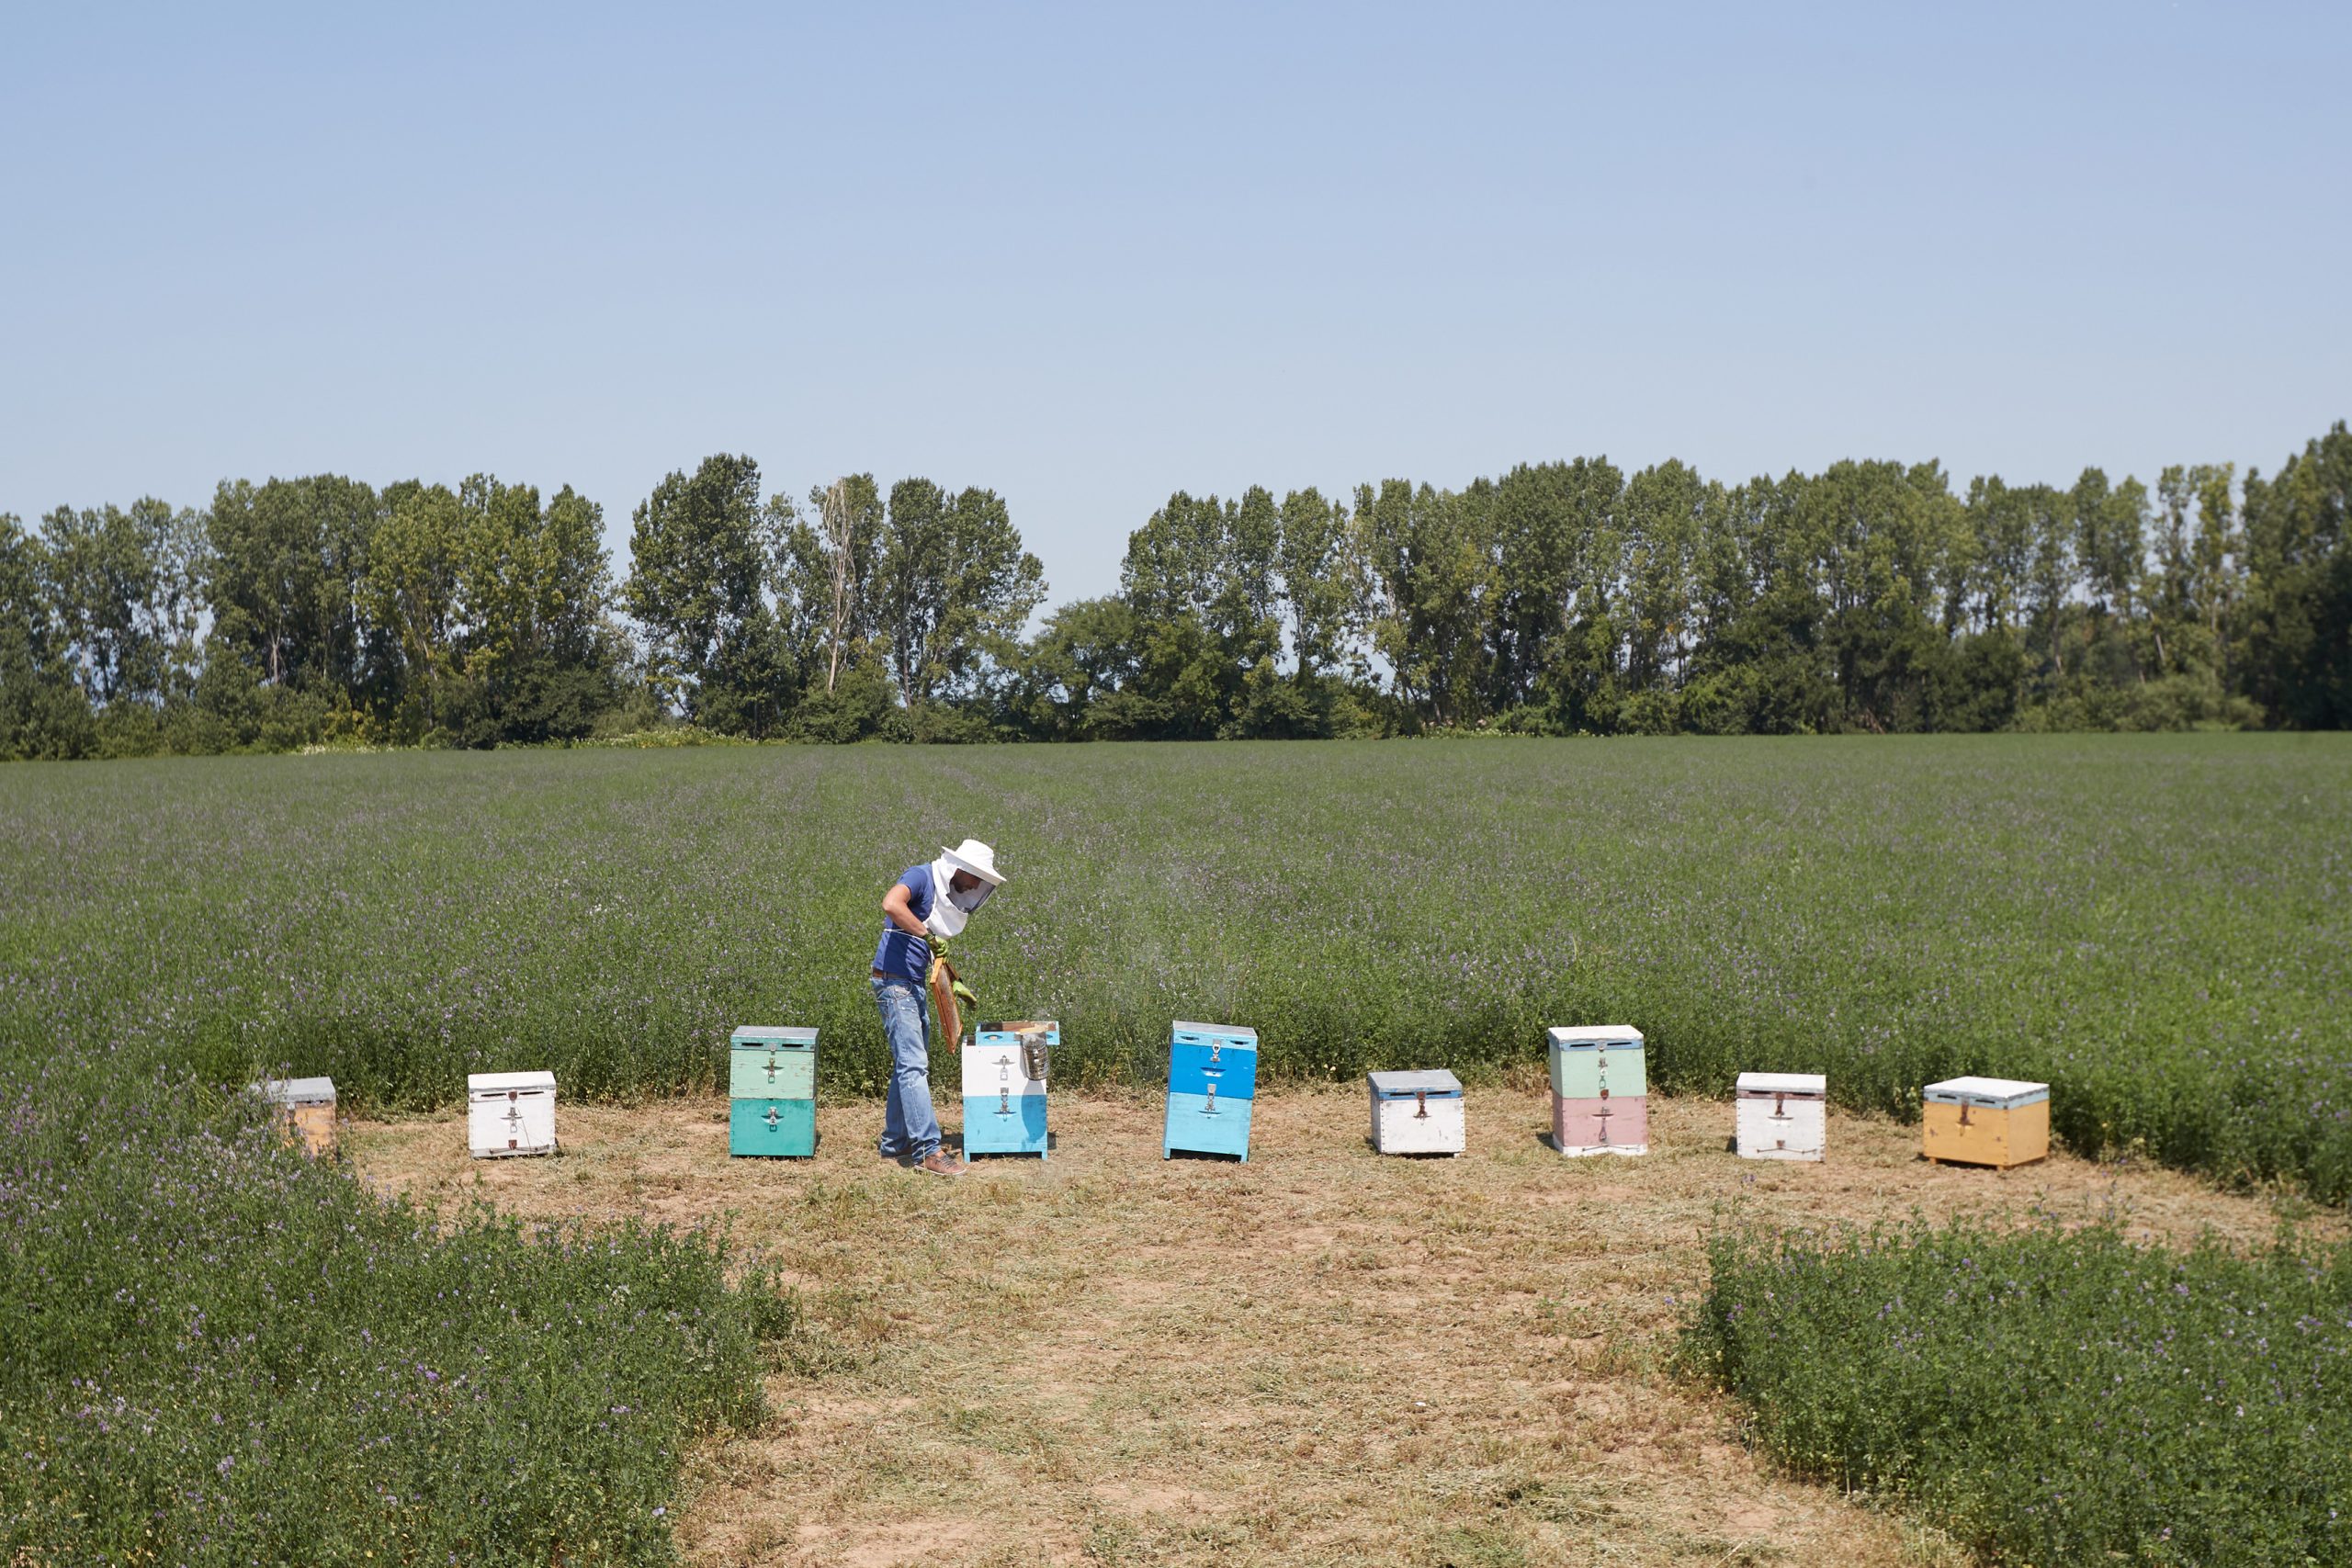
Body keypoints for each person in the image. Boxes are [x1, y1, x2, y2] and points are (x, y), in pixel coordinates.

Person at [872, 838, 1006, 1177]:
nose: (976, 885)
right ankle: (927, 1151)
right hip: (894, 983)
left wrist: (952, 980)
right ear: (960, 869)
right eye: (975, 877)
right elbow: (891, 904)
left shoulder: (946, 891)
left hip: (912, 982)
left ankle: (895, 1141)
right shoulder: (920, 876)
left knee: (908, 1063)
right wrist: (928, 937)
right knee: (913, 1065)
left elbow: (932, 947)